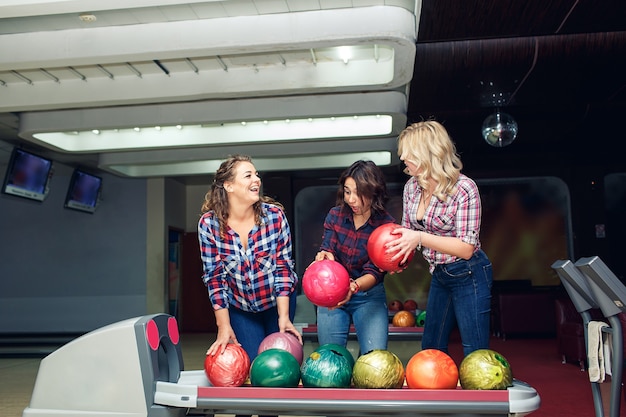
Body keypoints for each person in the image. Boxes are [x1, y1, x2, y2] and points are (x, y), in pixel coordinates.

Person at [386, 120, 493, 357]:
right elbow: (408, 234)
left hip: (470, 272)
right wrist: (396, 260)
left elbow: (466, 247)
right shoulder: (412, 188)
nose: (402, 157)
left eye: (407, 152)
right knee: (431, 348)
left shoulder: (464, 188)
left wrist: (419, 238)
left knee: (475, 352)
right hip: (440, 274)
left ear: (427, 153)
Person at [198, 154, 302, 364]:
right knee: (255, 366)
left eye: (256, 174)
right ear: (229, 186)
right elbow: (215, 279)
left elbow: (283, 269)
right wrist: (223, 326)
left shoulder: (274, 217)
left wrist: (284, 317)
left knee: (280, 363)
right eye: (248, 176)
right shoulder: (209, 225)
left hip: (277, 302)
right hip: (241, 308)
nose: (257, 179)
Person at [313, 160, 396, 355]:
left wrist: (353, 286)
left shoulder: (386, 226)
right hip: (332, 293)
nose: (351, 199)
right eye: (347, 191)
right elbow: (328, 247)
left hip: (369, 296)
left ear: (373, 191)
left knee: (374, 360)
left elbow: (375, 271)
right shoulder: (335, 215)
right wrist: (324, 257)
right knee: (330, 359)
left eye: (358, 193)